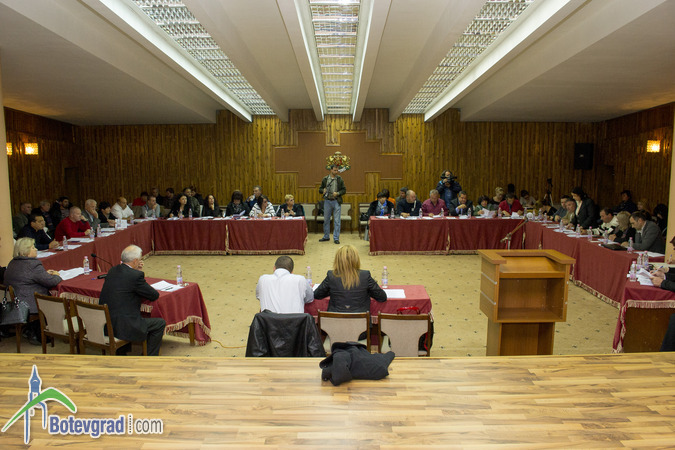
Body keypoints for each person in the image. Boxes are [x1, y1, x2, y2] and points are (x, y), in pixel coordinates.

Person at [99, 245, 165, 356]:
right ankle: (149, 357)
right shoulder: (135, 276)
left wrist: (136, 271)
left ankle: (122, 352)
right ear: (135, 261)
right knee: (160, 324)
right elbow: (154, 295)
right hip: (125, 326)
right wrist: (137, 272)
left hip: (107, 323)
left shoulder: (112, 270)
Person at [3, 238, 62, 344]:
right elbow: (51, 282)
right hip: (31, 303)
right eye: (33, 247)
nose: (36, 249)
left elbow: (28, 277)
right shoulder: (33, 264)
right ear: (25, 251)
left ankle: (30, 330)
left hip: (17, 301)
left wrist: (44, 273)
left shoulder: (12, 263)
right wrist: (57, 275)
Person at [313, 245, 386, 312]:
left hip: (335, 320)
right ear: (356, 259)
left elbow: (317, 295)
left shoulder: (331, 275)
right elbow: (382, 297)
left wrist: (330, 291)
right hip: (360, 321)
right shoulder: (365, 275)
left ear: (337, 260)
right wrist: (368, 292)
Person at [318, 165, 346, 244]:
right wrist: (322, 190)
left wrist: (338, 193)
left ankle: (336, 238)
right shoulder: (325, 179)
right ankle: (326, 236)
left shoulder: (339, 179)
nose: (336, 172)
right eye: (334, 170)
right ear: (331, 170)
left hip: (336, 201)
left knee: (337, 221)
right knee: (326, 220)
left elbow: (344, 190)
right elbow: (320, 189)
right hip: (327, 201)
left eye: (337, 170)